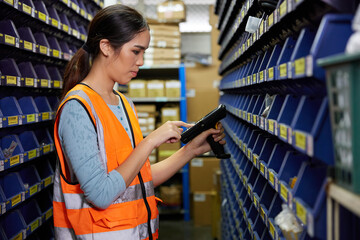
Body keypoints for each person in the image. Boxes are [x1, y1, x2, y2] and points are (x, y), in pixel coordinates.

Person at [53, 4, 226, 240]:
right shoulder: (77, 108)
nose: (141, 61)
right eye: (136, 51)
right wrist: (151, 140)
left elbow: (137, 179)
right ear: (105, 46)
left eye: (144, 52)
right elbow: (101, 193)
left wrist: (190, 151)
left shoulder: (124, 104)